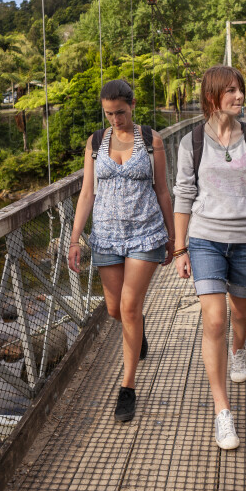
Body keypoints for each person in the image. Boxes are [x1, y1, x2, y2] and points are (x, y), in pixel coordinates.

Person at [173, 65, 246, 450]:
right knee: (214, 319)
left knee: (243, 311)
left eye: (241, 90)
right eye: (231, 91)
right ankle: (223, 412)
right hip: (205, 239)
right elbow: (184, 194)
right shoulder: (192, 142)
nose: (239, 96)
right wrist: (180, 247)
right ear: (212, 95)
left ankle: (239, 351)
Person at [68, 79, 175, 423]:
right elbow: (87, 193)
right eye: (109, 114)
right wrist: (74, 240)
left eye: (121, 113)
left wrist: (174, 237)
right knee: (116, 309)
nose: (115, 119)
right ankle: (137, 326)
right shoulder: (96, 142)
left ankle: (127, 388)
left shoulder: (151, 140)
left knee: (129, 306)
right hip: (106, 237)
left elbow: (163, 192)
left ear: (132, 105)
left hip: (145, 234)